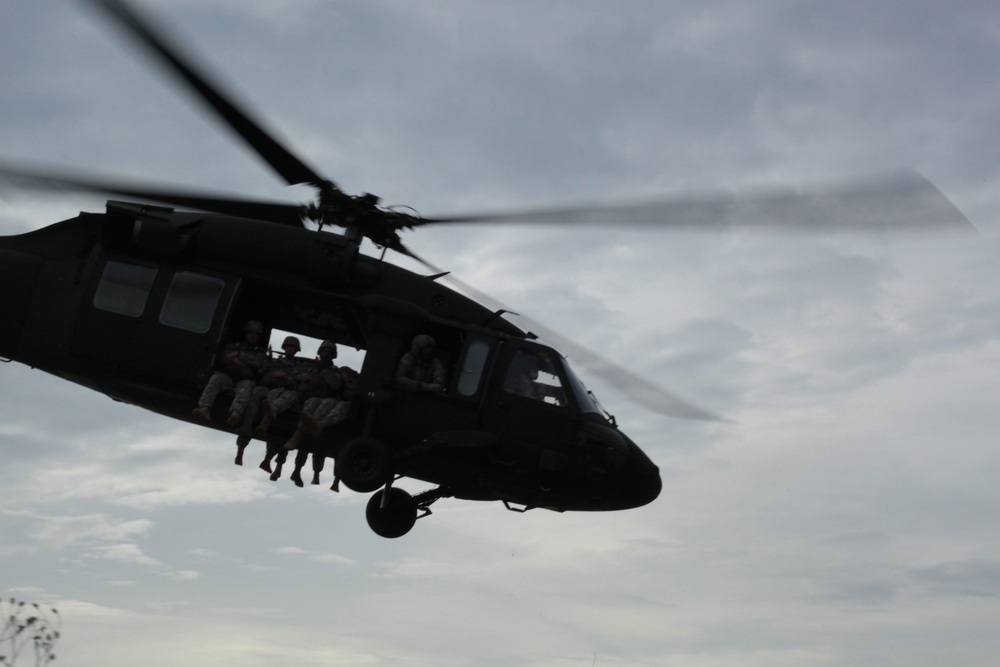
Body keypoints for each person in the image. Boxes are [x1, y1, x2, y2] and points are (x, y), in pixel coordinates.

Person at [280, 341, 343, 486]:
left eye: (329, 351)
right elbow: (295, 373)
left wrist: (324, 371)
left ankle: (297, 436)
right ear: (320, 351)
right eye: (324, 350)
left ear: (333, 355)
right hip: (302, 396)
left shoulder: (334, 370)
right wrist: (309, 376)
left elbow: (336, 384)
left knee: (311, 409)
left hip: (319, 401)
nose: (326, 353)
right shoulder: (308, 365)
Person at [192, 320, 267, 427]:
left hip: (244, 380)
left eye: (256, 334)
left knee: (247, 387)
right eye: (251, 333)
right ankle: (204, 408)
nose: (253, 336)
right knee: (216, 378)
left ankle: (236, 413)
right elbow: (222, 356)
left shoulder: (259, 351)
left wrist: (239, 356)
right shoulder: (233, 346)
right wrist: (234, 360)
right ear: (246, 333)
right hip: (227, 376)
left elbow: (260, 364)